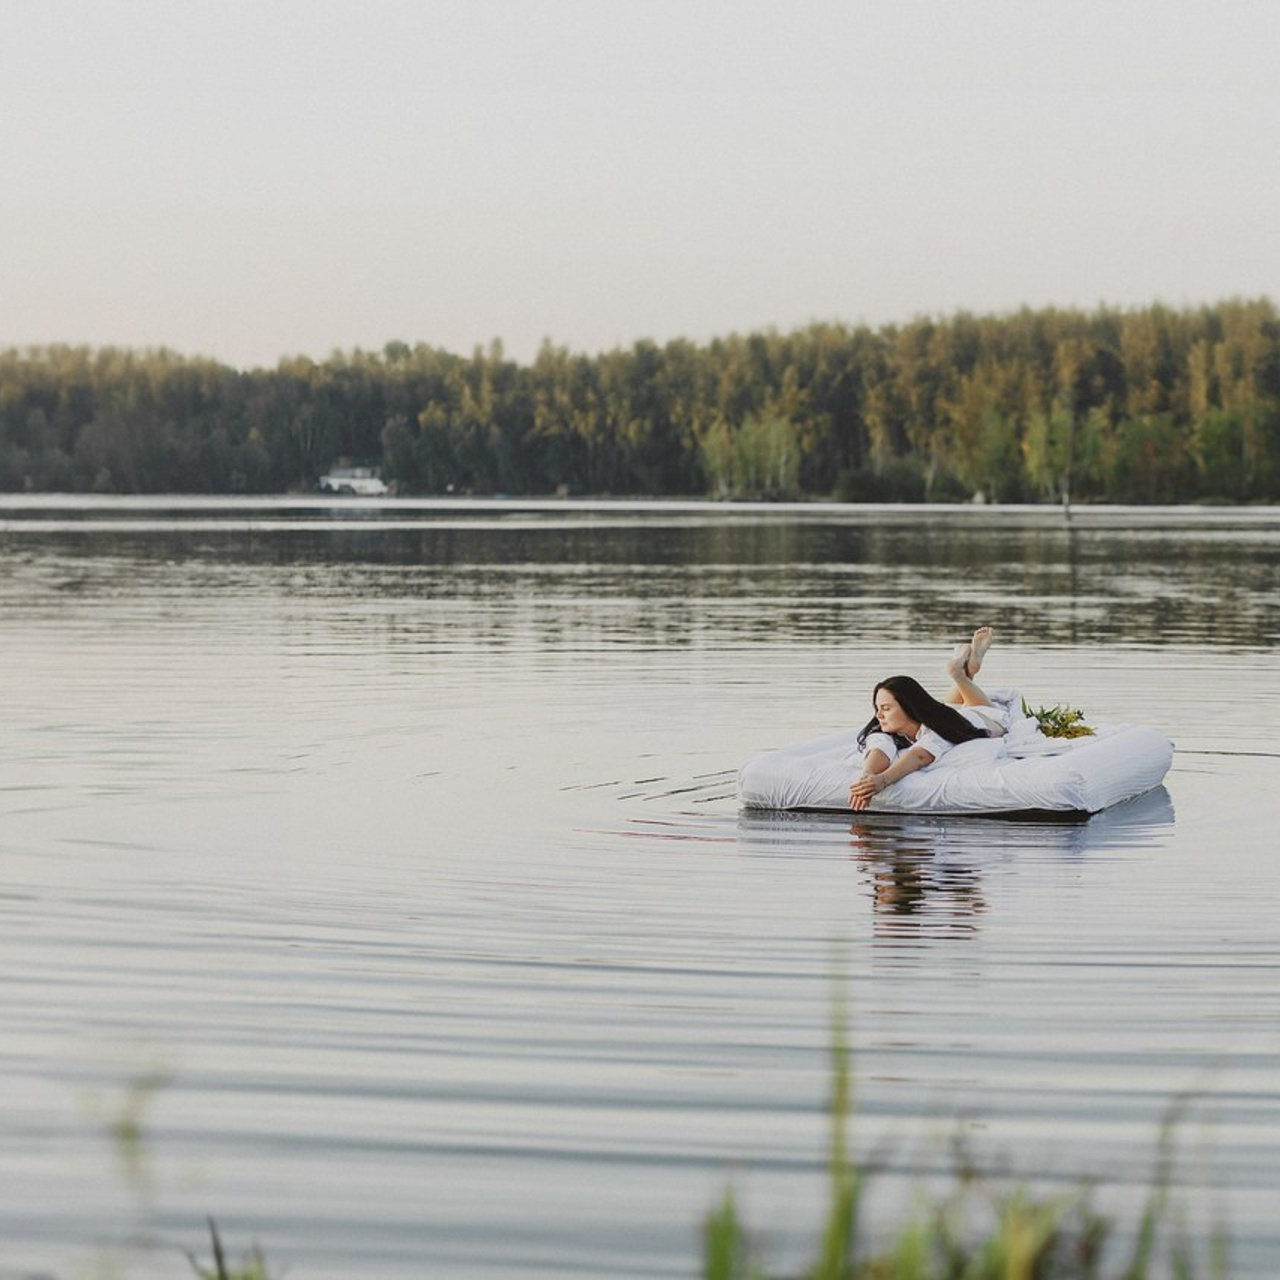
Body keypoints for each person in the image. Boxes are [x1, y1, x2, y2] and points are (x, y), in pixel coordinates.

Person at [848, 626, 1007, 811]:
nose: (878, 715)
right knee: (948, 706)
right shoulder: (891, 729)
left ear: (909, 707)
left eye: (886, 708)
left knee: (971, 707)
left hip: (979, 718)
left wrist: (883, 780)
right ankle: (965, 670)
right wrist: (866, 777)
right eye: (877, 708)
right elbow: (879, 746)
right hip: (949, 712)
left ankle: (961, 675)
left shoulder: (940, 729)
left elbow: (919, 756)